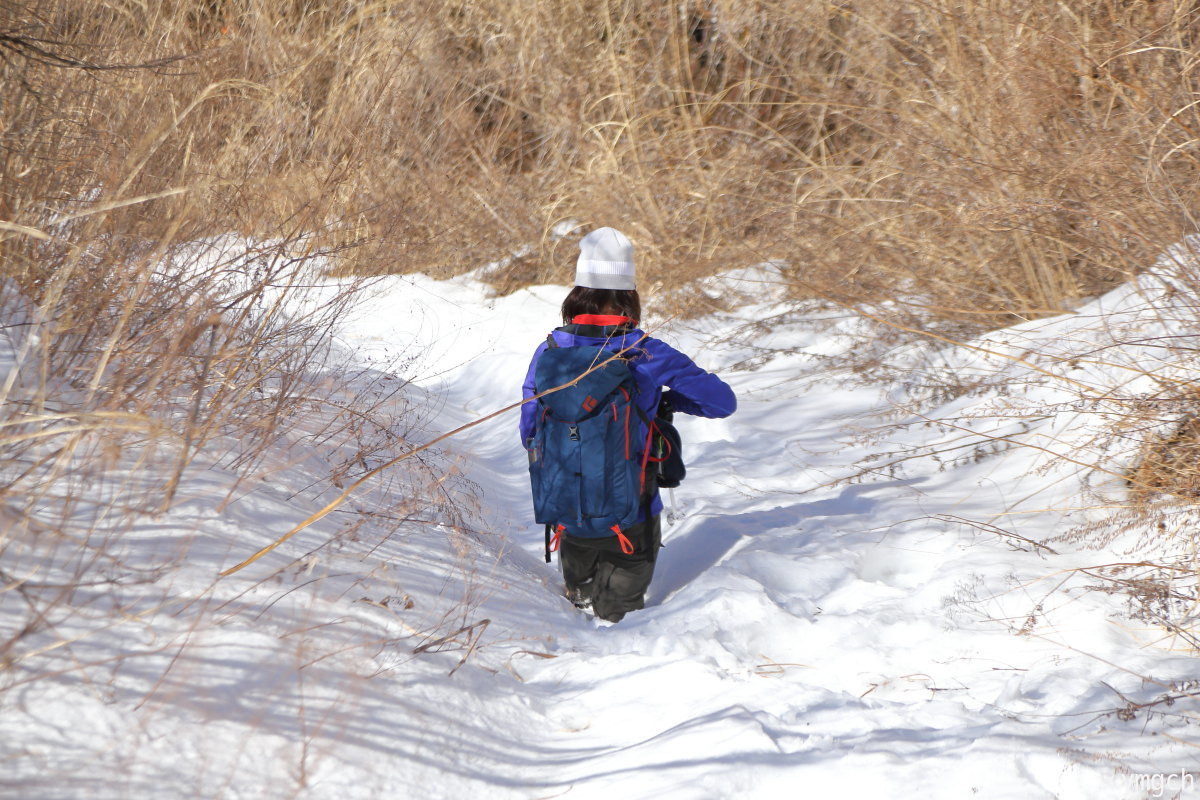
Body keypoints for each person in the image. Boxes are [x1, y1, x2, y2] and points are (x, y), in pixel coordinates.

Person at [519, 227, 736, 622]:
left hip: (567, 512)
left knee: (577, 609)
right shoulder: (644, 351)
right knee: (618, 622)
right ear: (630, 296)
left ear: (577, 293)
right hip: (631, 514)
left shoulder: (550, 350)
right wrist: (665, 401)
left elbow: (529, 430)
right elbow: (721, 402)